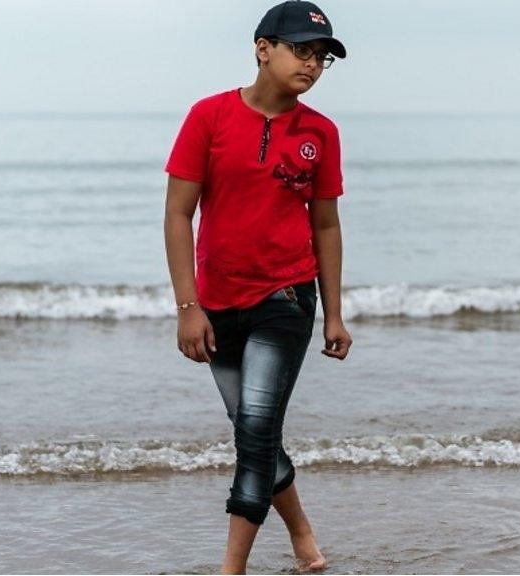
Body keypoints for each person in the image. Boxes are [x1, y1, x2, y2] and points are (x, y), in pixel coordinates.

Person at [162, 1, 352, 573]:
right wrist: (188, 306)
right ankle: (304, 540)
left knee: (256, 431)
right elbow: (178, 216)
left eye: (322, 57)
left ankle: (231, 569)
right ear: (262, 48)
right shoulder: (208, 117)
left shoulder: (321, 132)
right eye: (302, 51)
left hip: (286, 297)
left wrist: (335, 315)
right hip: (216, 304)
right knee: (254, 434)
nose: (313, 65)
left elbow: (326, 224)